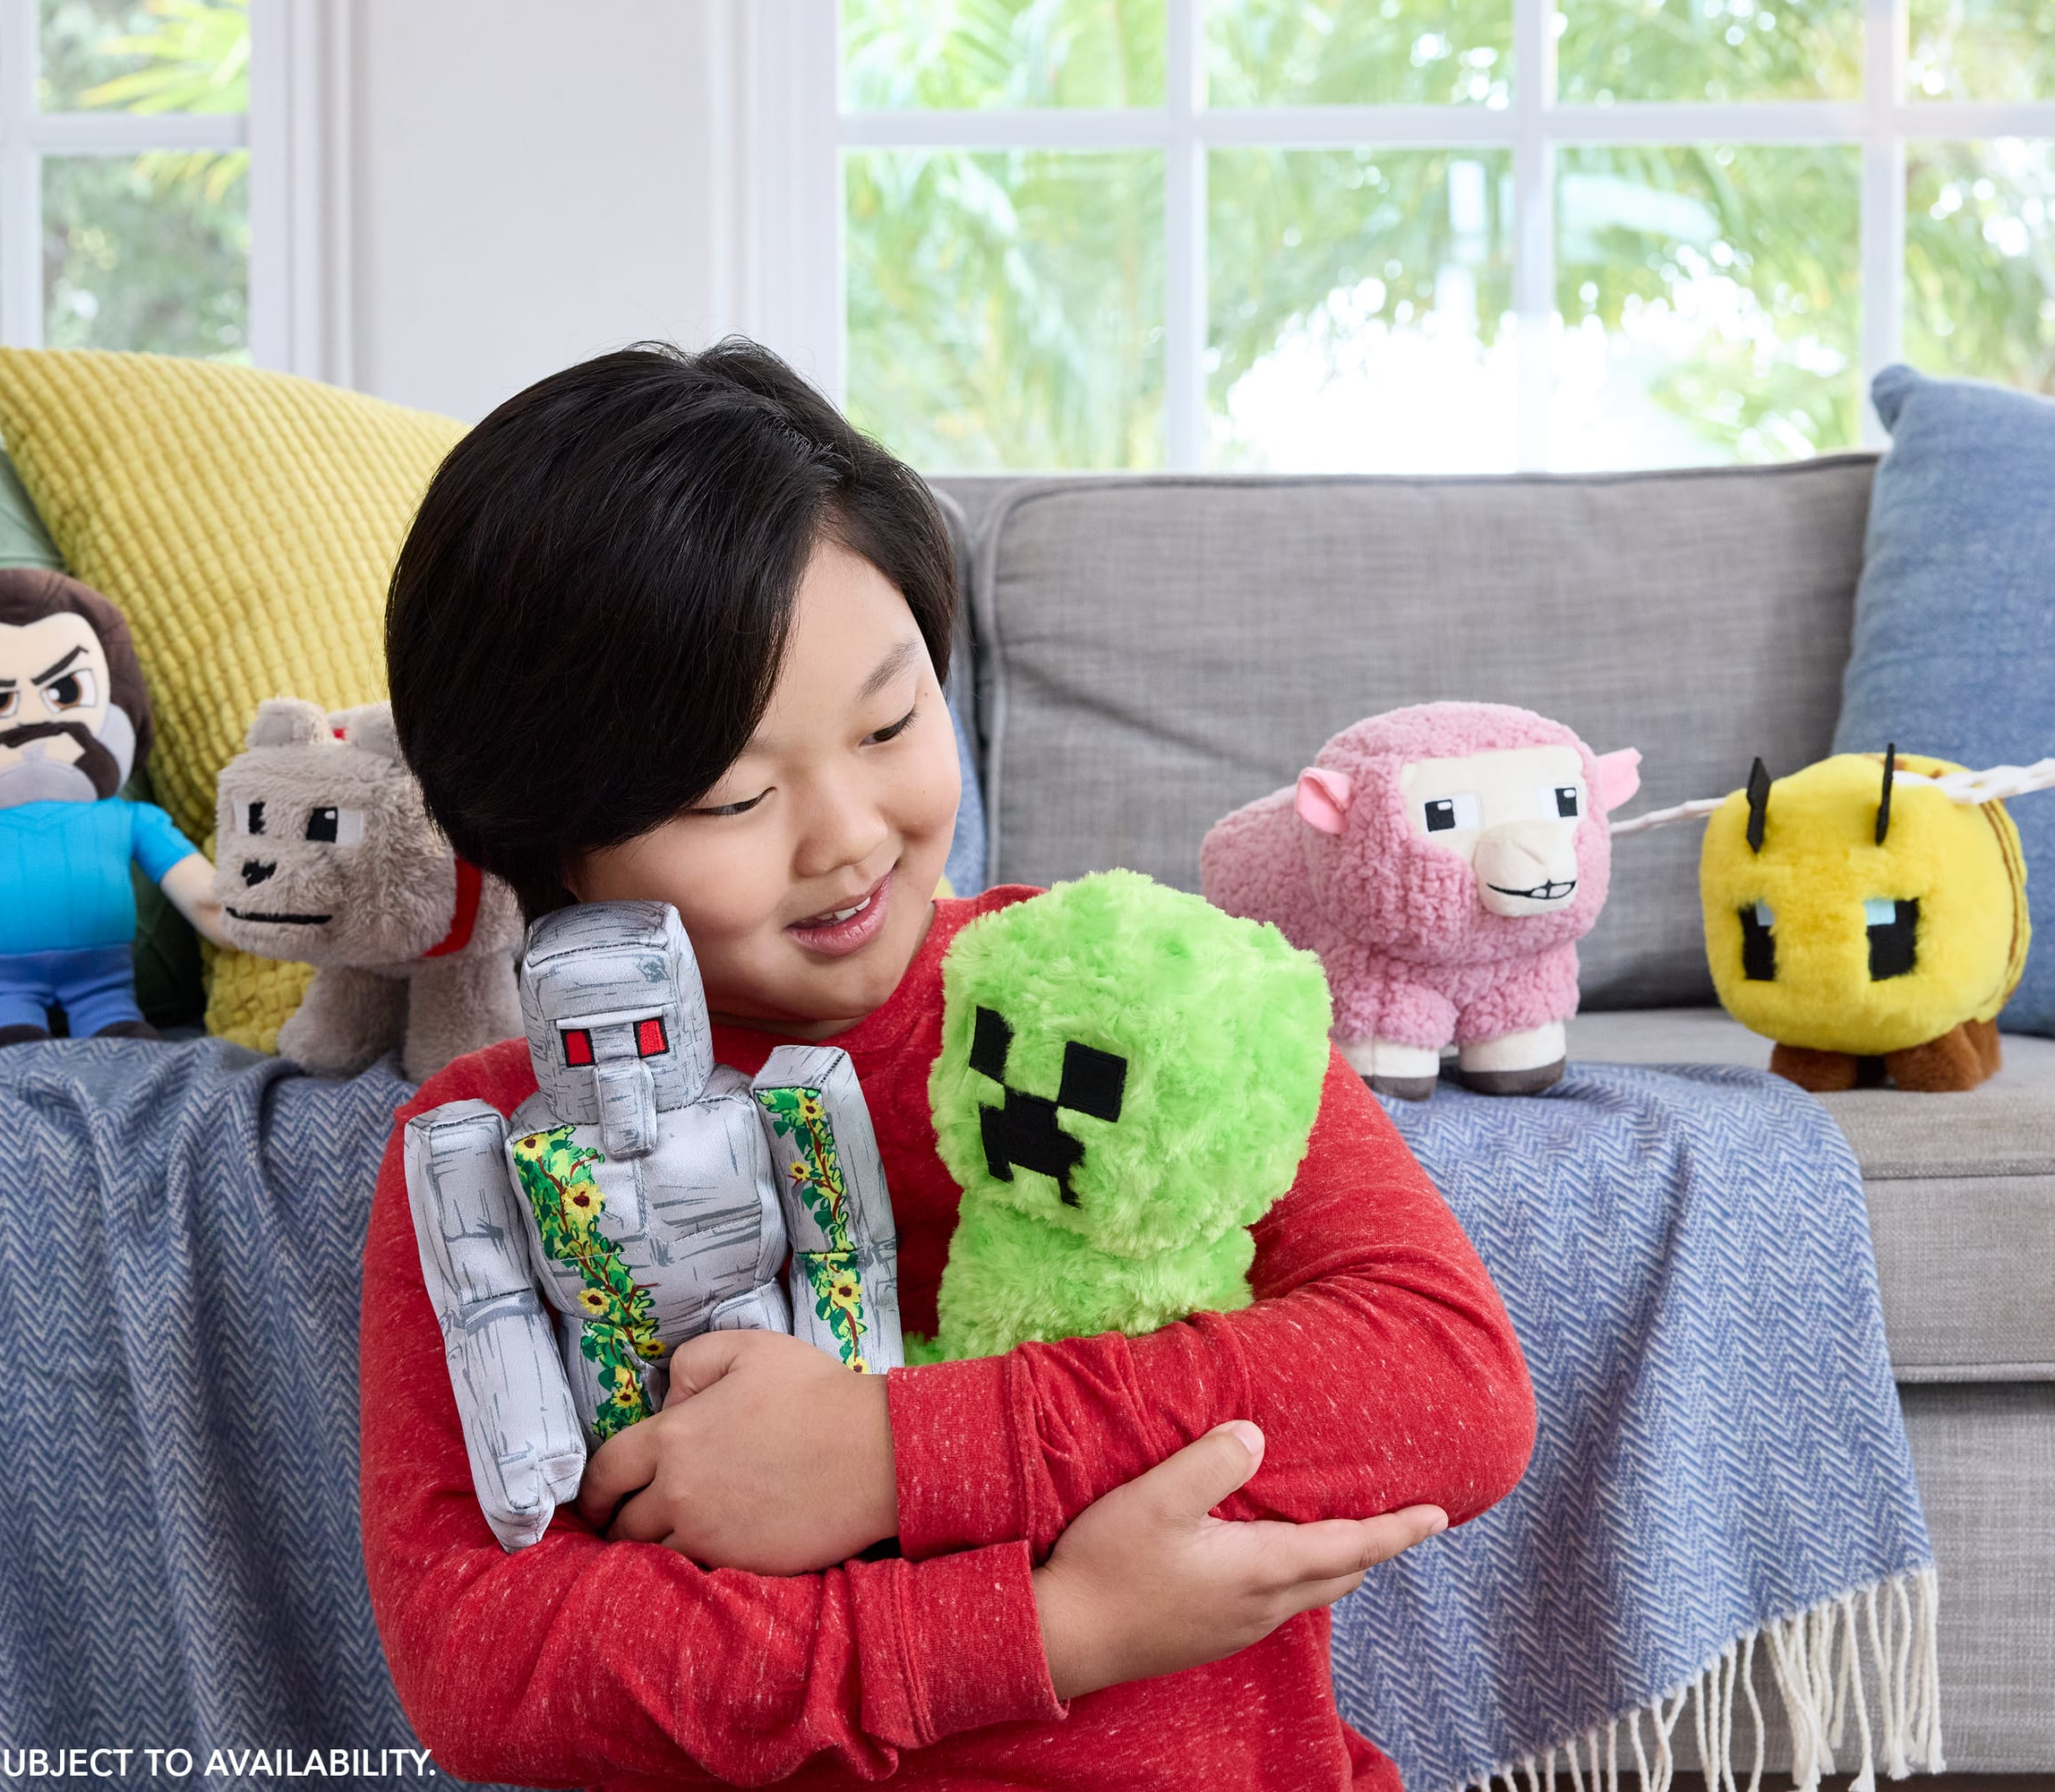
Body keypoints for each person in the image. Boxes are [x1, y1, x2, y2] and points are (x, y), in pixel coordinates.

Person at [359, 339, 1540, 1790]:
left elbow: (1449, 1382)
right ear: (547, 835)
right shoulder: (491, 1141)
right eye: (732, 795)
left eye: (890, 722)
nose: (850, 834)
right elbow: (491, 1665)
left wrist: (886, 1453)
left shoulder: (1129, 980)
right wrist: (1053, 1627)